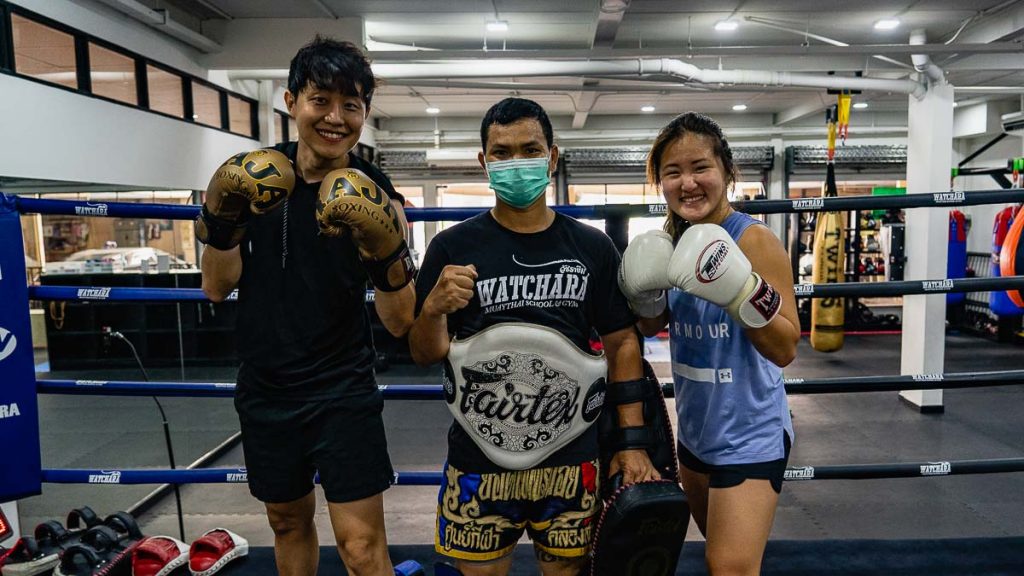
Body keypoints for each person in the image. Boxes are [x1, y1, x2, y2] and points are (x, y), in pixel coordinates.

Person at [408, 97, 659, 576]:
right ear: (483, 162)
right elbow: (424, 353)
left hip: (571, 456)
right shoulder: (451, 247)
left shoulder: (590, 246)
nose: (516, 162)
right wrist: (435, 309)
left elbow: (623, 342)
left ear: (553, 157)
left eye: (530, 149)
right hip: (478, 459)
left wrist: (632, 442)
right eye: (501, 153)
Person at [198, 36, 416, 576]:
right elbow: (215, 289)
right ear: (292, 101)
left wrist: (384, 249)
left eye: (352, 105)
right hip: (266, 386)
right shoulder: (253, 178)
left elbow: (399, 321)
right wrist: (224, 224)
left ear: (364, 113)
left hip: (342, 388)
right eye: (321, 100)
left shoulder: (377, 190)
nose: (336, 118)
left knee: (362, 547)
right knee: (287, 524)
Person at [618, 111, 799, 576]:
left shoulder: (754, 241)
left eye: (700, 167)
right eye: (672, 172)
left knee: (729, 567)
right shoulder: (671, 242)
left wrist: (740, 290)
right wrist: (645, 291)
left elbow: (785, 347)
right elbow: (652, 325)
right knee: (715, 555)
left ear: (726, 172)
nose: (688, 183)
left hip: (751, 435)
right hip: (695, 434)